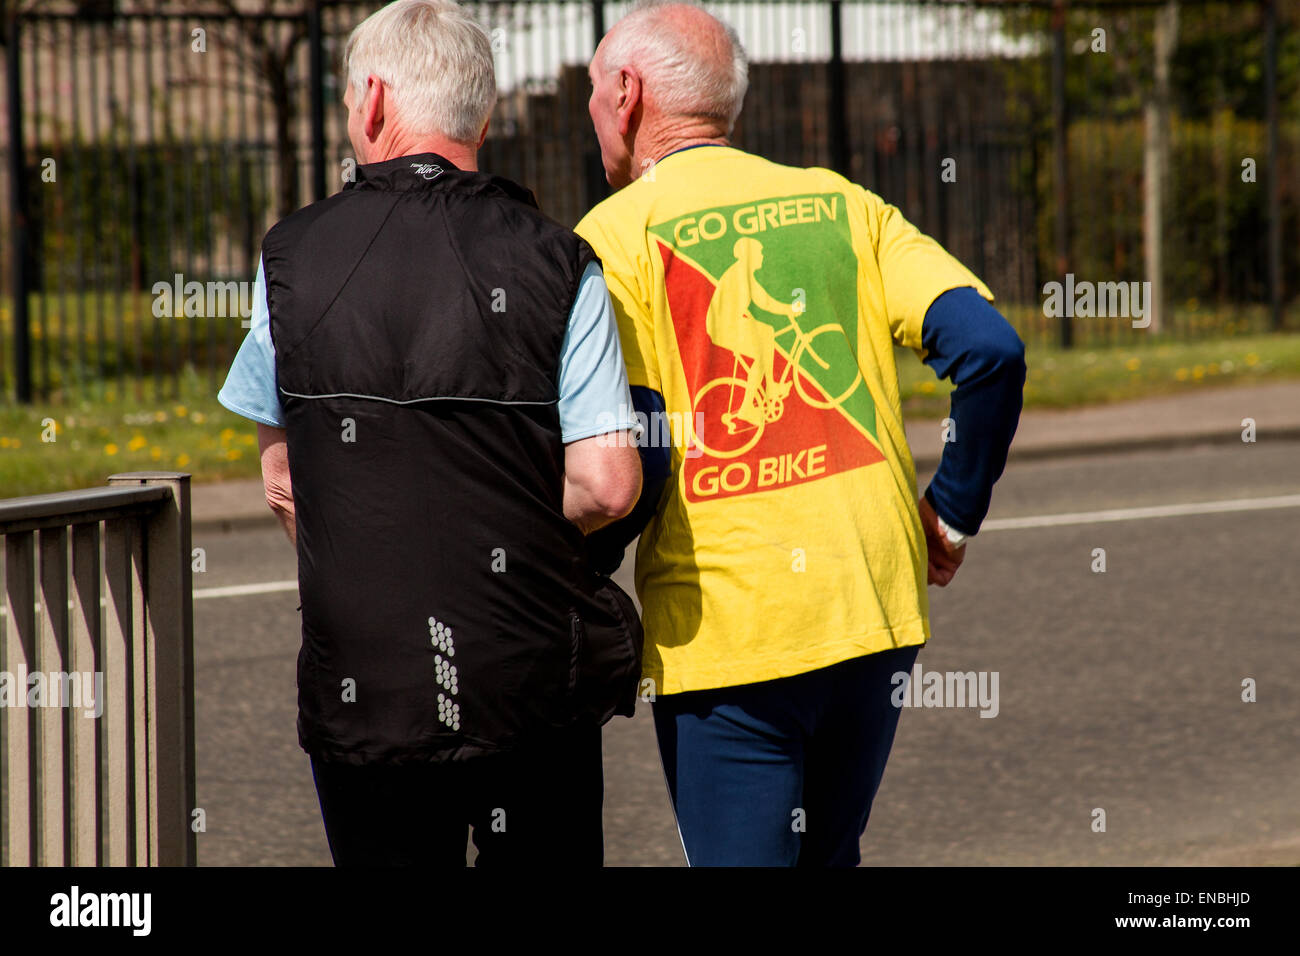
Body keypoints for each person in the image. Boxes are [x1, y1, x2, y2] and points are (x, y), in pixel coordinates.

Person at [578, 0, 1026, 866]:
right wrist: (953, 509)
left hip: (731, 630)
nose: (591, 110)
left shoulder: (610, 238)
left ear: (626, 94)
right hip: (874, 604)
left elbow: (636, 451)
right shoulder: (840, 201)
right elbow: (991, 349)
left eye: (593, 91)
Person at [217, 0, 643, 867]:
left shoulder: (289, 260)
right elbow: (608, 486)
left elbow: (287, 482)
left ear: (371, 100)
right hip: (528, 686)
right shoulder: (559, 261)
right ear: (481, 115)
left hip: (364, 692)